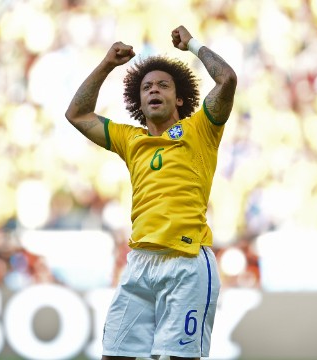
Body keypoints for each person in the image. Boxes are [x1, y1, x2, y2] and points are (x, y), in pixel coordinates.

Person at [65, 25, 237, 360]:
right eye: (146, 87)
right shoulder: (131, 140)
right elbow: (77, 115)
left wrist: (193, 45)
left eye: (162, 85)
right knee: (114, 355)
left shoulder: (201, 128)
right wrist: (106, 65)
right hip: (140, 263)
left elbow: (227, 79)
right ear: (139, 102)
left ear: (180, 98)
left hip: (186, 263)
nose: (153, 90)